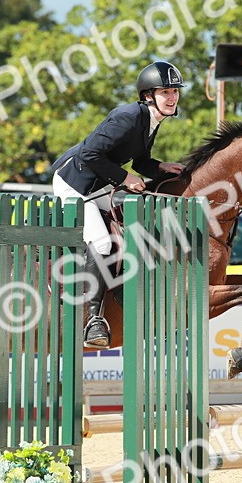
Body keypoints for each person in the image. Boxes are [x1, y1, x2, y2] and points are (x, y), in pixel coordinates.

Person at [51, 60, 187, 349]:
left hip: (98, 183)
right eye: (166, 92)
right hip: (74, 183)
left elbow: (140, 162)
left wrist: (162, 167)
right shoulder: (128, 116)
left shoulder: (151, 120)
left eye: (175, 91)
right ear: (148, 95)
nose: (172, 97)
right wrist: (125, 177)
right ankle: (92, 319)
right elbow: (89, 154)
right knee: (101, 243)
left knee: (123, 232)